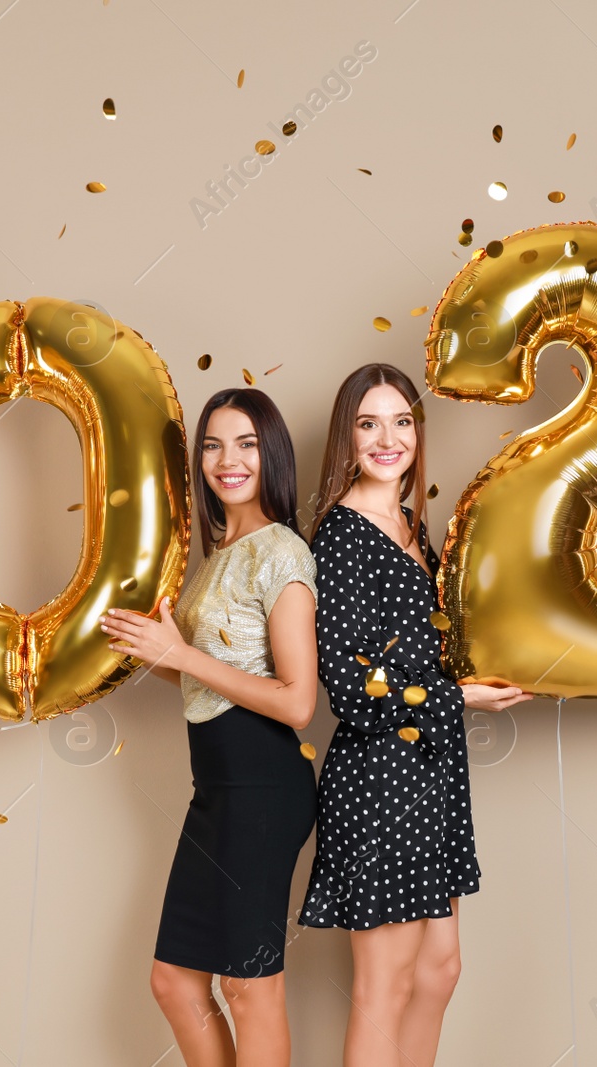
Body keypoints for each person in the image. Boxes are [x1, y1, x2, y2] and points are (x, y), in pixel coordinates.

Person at [300, 363, 532, 1066]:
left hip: (431, 771)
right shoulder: (340, 537)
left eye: (401, 420)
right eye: (368, 423)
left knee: (437, 972)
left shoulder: (409, 523)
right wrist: (462, 697)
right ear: (347, 436)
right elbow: (349, 687)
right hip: (378, 780)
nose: (387, 438)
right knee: (386, 983)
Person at [101, 388, 319, 1067]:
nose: (228, 459)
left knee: (250, 987)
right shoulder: (222, 550)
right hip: (217, 791)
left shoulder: (281, 550)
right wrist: (159, 655)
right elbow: (210, 676)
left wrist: (183, 654)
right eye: (214, 444)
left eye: (247, 443)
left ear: (271, 455)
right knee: (174, 980)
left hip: (264, 785)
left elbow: (297, 701)